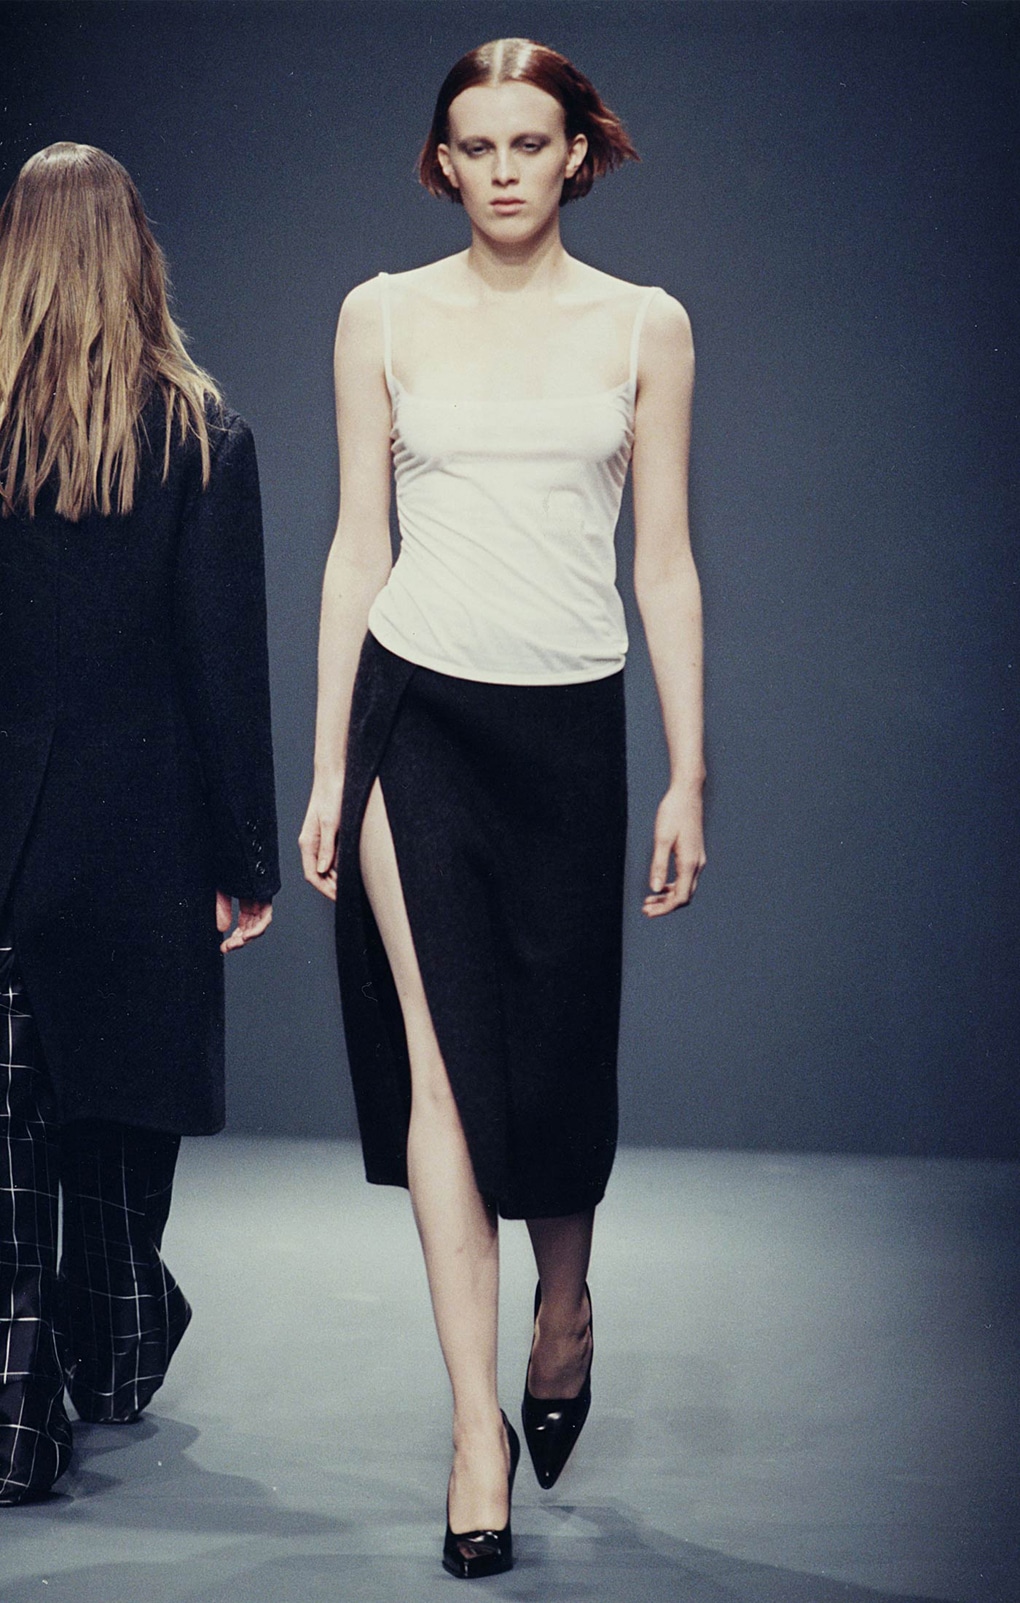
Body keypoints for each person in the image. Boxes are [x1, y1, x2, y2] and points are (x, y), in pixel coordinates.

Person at [300, 36, 704, 1579]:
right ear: (443, 163)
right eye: (477, 146)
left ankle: (565, 1310)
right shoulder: (382, 315)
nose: (505, 169)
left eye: (531, 142)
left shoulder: (646, 325)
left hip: (569, 727)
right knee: (449, 1072)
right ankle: (476, 1434)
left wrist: (688, 771)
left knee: (558, 1066)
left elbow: (662, 559)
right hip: (418, 720)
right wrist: (329, 765)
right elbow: (358, 545)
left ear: (575, 154)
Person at [0, 143, 279, 1505]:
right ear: (138, 254)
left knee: (10, 1122)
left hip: (9, 834)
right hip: (137, 837)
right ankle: (109, 1355)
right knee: (118, 1111)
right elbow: (223, 668)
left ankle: (16, 1406)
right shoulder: (201, 435)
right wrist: (243, 859)